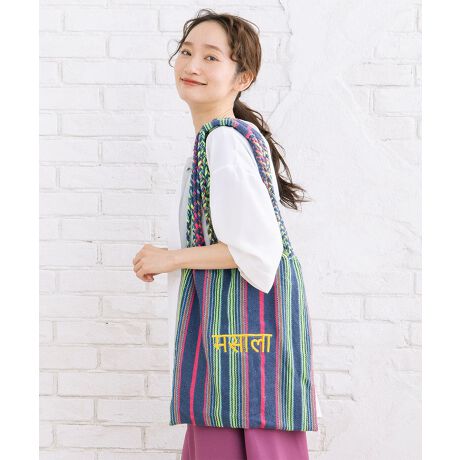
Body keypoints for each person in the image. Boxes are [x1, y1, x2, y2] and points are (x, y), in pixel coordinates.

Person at [132, 8, 321, 460]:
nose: (192, 65)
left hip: (234, 354)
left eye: (211, 57)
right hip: (234, 356)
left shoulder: (223, 142)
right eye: (186, 52)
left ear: (243, 77)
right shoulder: (225, 139)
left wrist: (171, 258)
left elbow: (258, 251)